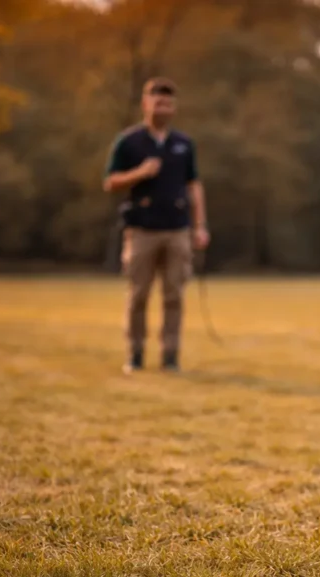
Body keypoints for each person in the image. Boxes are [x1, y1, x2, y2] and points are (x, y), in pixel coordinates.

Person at [103, 77, 210, 374]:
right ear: (145, 103)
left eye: (168, 103)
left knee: (174, 295)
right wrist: (140, 172)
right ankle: (135, 354)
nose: (162, 107)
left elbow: (194, 184)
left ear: (174, 107)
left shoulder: (183, 144)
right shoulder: (129, 141)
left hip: (177, 229)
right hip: (141, 229)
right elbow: (110, 182)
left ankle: (170, 356)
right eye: (157, 101)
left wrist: (200, 225)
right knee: (138, 294)